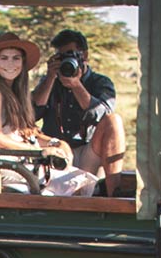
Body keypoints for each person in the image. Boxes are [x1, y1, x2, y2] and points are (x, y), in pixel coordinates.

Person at [0, 30, 77, 192]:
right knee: (75, 184)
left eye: (16, 58)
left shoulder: (12, 91)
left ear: (23, 62)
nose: (10, 64)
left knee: (80, 179)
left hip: (17, 165)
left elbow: (27, 133)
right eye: (4, 58)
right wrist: (39, 151)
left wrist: (55, 143)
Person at [32, 29, 126, 196]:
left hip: (87, 151)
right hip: (56, 150)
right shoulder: (50, 82)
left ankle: (114, 194)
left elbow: (102, 114)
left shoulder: (100, 82)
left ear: (85, 55)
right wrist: (50, 78)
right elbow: (32, 113)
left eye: (71, 55)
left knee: (114, 120)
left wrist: (76, 86)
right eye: (62, 57)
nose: (67, 61)